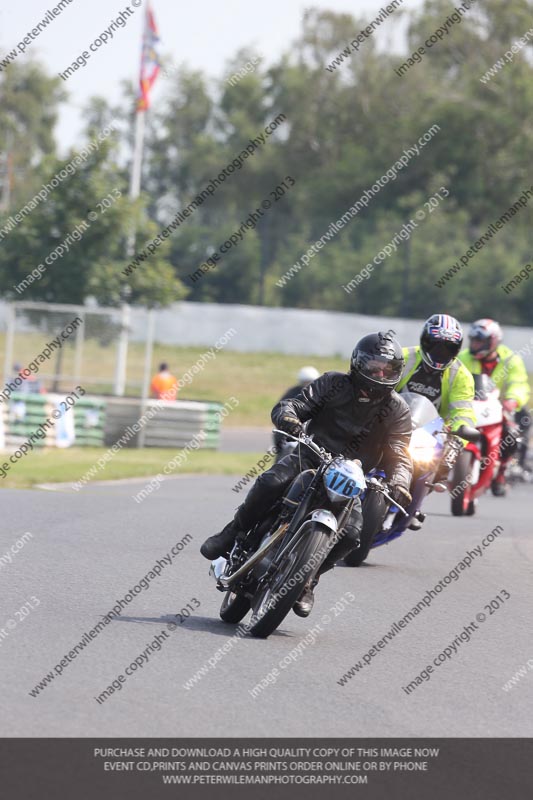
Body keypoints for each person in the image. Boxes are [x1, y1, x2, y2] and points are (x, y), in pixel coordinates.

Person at [201, 331, 413, 616]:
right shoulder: (333, 383)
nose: (380, 373)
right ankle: (232, 532)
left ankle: (309, 581)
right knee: (271, 481)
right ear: (358, 363)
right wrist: (289, 417)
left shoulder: (397, 408)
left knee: (352, 535)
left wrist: (399, 480)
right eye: (374, 366)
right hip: (312, 455)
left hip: (353, 476)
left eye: (388, 369)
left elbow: (400, 452)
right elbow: (295, 405)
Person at [395, 314, 477, 526]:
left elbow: (464, 411)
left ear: (457, 350)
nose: (441, 353)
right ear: (425, 342)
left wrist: (460, 434)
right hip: (391, 420)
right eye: (436, 346)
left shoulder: (461, 375)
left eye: (448, 348)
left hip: (430, 431)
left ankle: (414, 504)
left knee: (440, 462)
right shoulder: (403, 357)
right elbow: (381, 386)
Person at [458, 318, 531, 495]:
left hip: (500, 405)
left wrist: (512, 399)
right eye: (474, 340)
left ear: (493, 341)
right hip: (470, 404)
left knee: (513, 433)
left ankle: (501, 473)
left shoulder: (510, 360)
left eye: (480, 341)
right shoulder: (463, 358)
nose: (475, 344)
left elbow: (519, 383)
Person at [273, 366, 320, 461]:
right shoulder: (292, 393)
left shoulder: (322, 394)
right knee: (285, 453)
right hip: (294, 432)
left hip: (314, 434)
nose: (308, 385)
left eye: (311, 382)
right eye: (305, 382)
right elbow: (281, 409)